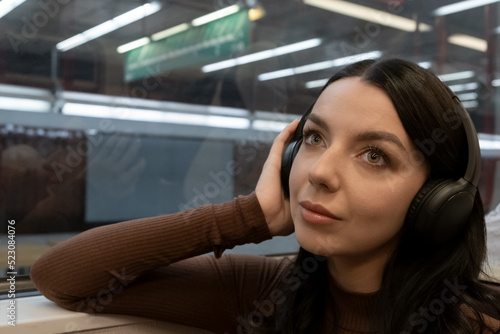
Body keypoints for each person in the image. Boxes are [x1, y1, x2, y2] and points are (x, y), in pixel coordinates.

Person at [30, 58, 500, 333]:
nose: (320, 173)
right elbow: (64, 277)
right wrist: (251, 215)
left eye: (374, 155)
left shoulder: (479, 324)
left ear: (439, 200)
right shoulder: (268, 294)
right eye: (315, 138)